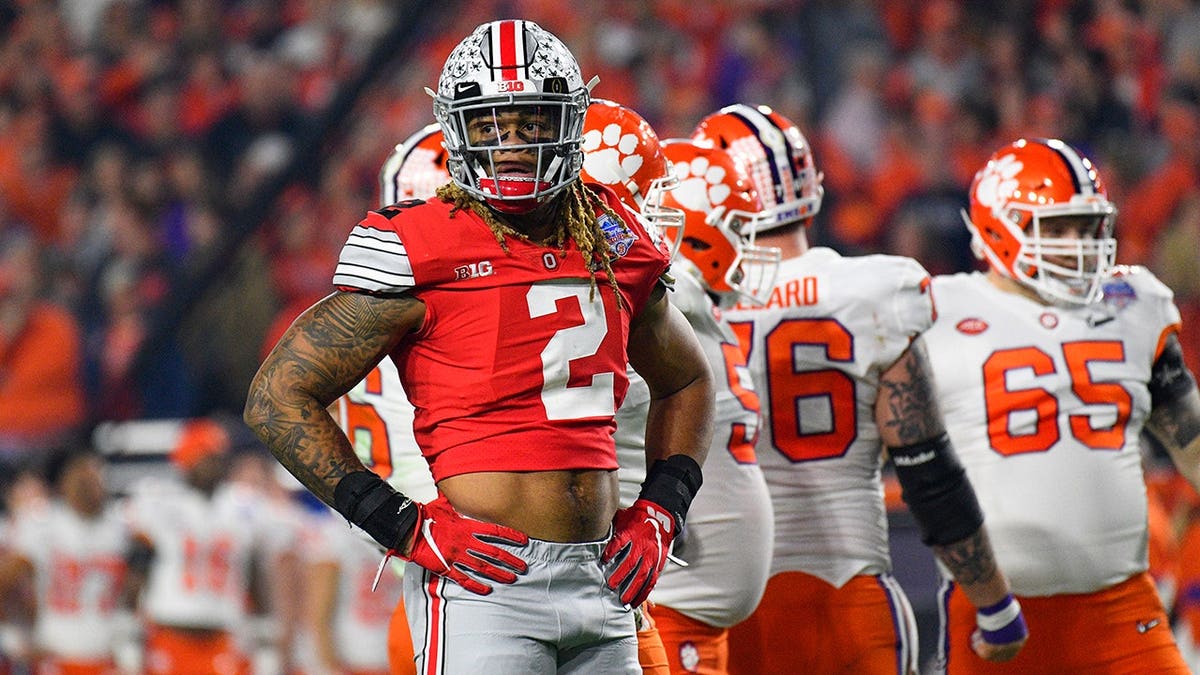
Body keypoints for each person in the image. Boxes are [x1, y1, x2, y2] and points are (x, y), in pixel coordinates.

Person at [244, 19, 714, 674]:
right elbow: (276, 396)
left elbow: (688, 381)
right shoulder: (422, 242)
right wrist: (400, 524)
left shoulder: (613, 234)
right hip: (484, 585)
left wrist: (664, 505)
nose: (512, 144)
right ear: (458, 129)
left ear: (568, 123)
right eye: (491, 124)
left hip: (603, 578)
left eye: (531, 122)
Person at [701, 104, 1027, 674]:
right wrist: (995, 604)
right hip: (847, 596)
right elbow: (929, 473)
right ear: (810, 185)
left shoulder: (677, 306)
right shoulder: (875, 290)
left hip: (718, 605)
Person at [923, 137, 1200, 674]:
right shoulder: (936, 311)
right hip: (997, 610)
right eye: (1057, 228)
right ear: (1001, 226)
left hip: (1122, 605)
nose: (1077, 243)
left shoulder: (1134, 304)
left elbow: (1189, 437)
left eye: (1084, 227)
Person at [629, 137, 776, 674]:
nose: (749, 244)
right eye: (739, 228)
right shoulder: (668, 292)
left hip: (694, 609)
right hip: (666, 602)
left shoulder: (694, 302)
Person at [123, 418, 271, 675]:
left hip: (224, 633)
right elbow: (138, 566)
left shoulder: (243, 505)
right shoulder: (160, 502)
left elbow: (253, 570)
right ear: (186, 460)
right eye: (205, 456)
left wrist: (264, 624)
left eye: (217, 455)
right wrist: (127, 625)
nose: (213, 463)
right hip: (169, 631)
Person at [0, 445, 134, 674]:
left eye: (95, 475)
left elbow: (133, 586)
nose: (89, 483)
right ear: (63, 481)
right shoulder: (44, 524)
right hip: (56, 656)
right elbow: (5, 580)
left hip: (106, 654)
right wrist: (18, 629)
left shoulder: (119, 526)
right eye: (82, 475)